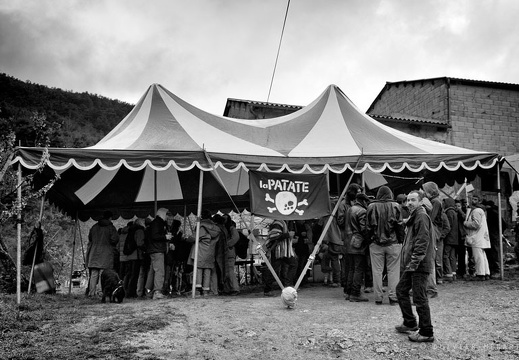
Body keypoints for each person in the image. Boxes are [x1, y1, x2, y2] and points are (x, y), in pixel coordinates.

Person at [395, 190, 435, 342]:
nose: (409, 203)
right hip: (413, 263)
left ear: (420, 201)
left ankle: (426, 331)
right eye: (408, 200)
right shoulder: (415, 216)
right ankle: (410, 322)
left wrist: (414, 261)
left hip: (419, 263)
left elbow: (422, 241)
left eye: (413, 200)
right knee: (401, 290)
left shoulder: (421, 216)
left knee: (419, 297)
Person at [367, 185, 403, 305]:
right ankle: (393, 297)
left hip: (376, 243)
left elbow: (368, 227)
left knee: (376, 271)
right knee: (393, 271)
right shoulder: (396, 206)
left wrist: (370, 240)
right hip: (393, 243)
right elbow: (399, 225)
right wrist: (401, 240)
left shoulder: (371, 206)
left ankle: (378, 297)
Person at [86, 210, 119, 298]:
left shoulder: (94, 227)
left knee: (94, 273)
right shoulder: (111, 227)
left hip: (94, 253)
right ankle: (100, 292)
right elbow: (114, 239)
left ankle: (91, 293)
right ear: (110, 218)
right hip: (106, 253)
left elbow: (90, 238)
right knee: (103, 273)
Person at [188, 209, 221, 296]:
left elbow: (194, 237)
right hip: (211, 251)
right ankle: (206, 291)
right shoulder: (216, 228)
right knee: (207, 270)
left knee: (198, 269)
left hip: (201, 251)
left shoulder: (202, 227)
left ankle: (198, 291)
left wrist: (187, 239)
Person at [345, 193, 371, 302]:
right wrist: (368, 239)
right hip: (358, 243)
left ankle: (349, 292)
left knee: (351, 268)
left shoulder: (349, 209)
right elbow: (363, 229)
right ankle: (355, 293)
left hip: (348, 242)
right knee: (359, 268)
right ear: (364, 201)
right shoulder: (362, 211)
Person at [263, 219, 297, 297]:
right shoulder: (278, 223)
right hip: (277, 249)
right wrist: (288, 235)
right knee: (274, 270)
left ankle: (287, 285)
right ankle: (268, 290)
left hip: (284, 250)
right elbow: (273, 236)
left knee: (293, 263)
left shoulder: (283, 223)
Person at [146, 208, 173, 300]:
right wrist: (165, 237)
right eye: (166, 214)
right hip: (157, 250)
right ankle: (157, 291)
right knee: (160, 271)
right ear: (162, 214)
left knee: (152, 271)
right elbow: (155, 236)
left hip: (153, 249)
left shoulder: (155, 223)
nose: (167, 217)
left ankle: (149, 291)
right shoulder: (158, 223)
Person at [464, 194, 491, 281]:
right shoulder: (482, 210)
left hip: (477, 236)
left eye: (475, 199)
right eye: (473, 199)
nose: (473, 201)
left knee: (478, 256)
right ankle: (486, 273)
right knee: (483, 256)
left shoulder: (476, 211)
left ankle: (480, 274)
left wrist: (466, 223)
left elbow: (475, 224)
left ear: (479, 201)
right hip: (482, 236)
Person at [482, 200, 506, 279]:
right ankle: (493, 270)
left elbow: (503, 224)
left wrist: (498, 232)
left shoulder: (492, 213)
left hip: (493, 235)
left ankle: (496, 270)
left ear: (487, 206)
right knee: (492, 252)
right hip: (492, 235)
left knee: (494, 252)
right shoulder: (493, 212)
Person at [442, 198, 459, 282]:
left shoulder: (449, 212)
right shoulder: (454, 212)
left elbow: (448, 226)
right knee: (452, 257)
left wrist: (443, 235)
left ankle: (448, 274)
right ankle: (453, 273)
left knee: (446, 255)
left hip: (449, 238)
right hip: (455, 238)